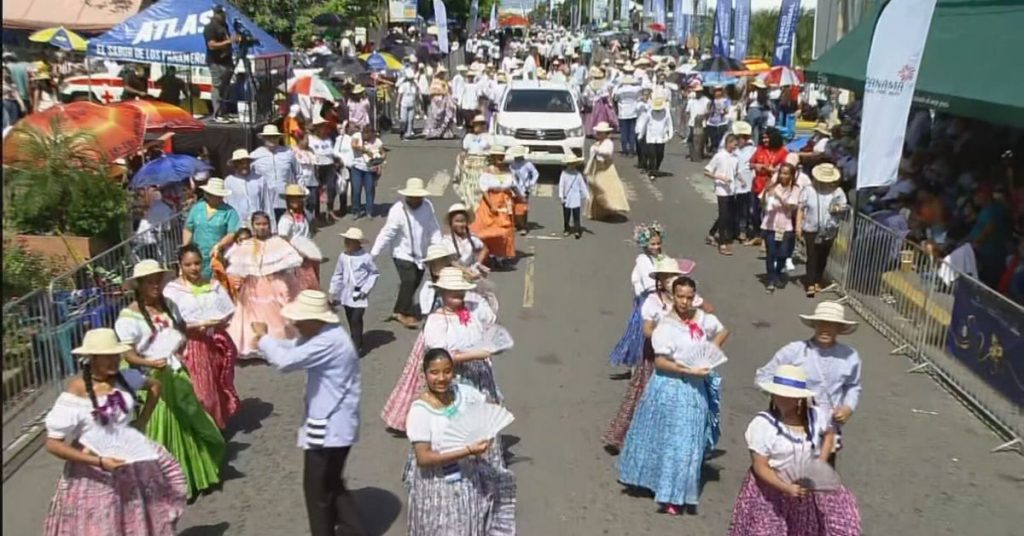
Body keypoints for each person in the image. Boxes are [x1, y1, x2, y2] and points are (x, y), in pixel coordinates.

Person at [42, 328, 185, 535]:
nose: (114, 362)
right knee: (103, 524)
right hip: (94, 472)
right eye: (106, 358)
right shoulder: (76, 393)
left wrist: (142, 421)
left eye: (115, 356)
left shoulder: (126, 379)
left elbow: (155, 386)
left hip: (131, 463)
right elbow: (53, 443)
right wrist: (98, 462)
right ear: (92, 359)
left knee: (139, 514)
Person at [253, 291, 368, 536]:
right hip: (336, 423)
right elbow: (292, 346)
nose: (294, 323)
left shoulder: (329, 341)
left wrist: (262, 338)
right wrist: (267, 340)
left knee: (317, 491)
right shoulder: (324, 335)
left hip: (328, 426)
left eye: (299, 319)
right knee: (332, 484)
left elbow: (286, 360)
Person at [114, 260, 225, 499]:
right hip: (150, 381)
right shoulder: (128, 317)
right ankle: (166, 485)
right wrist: (149, 363)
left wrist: (177, 347)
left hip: (175, 372)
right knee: (163, 428)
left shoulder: (170, 306)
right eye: (149, 281)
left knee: (189, 421)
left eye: (157, 280)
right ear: (139, 285)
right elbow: (128, 353)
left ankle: (195, 475)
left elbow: (181, 331)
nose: (155, 285)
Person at [618, 276, 727, 515]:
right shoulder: (665, 326)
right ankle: (665, 489)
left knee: (689, 444)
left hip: (694, 391)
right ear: (674, 297)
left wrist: (710, 353)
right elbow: (660, 362)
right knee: (667, 441)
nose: (685, 302)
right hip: (669, 387)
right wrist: (687, 368)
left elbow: (722, 331)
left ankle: (678, 492)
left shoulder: (704, 319)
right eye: (681, 297)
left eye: (689, 297)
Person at [728, 365, 862, 535]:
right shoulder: (762, 425)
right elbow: (760, 466)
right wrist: (786, 488)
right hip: (770, 493)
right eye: (779, 395)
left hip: (804, 492)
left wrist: (819, 463)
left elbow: (829, 433)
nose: (782, 399)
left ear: (798, 398)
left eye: (788, 396)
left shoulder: (816, 416)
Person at [405, 348, 516, 536]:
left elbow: (486, 412)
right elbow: (424, 458)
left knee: (470, 526)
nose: (441, 378)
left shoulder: (465, 395)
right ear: (424, 374)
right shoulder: (420, 412)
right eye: (434, 372)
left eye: (447, 371)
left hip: (467, 484)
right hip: (438, 489)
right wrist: (467, 451)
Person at [755, 301, 861, 466]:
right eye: (821, 324)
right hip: (793, 426)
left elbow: (853, 386)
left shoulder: (850, 357)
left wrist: (848, 407)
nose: (825, 329)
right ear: (814, 325)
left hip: (828, 427)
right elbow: (764, 376)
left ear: (839, 329)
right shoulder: (794, 351)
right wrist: (784, 398)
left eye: (831, 325)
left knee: (822, 475)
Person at [603, 257, 687, 451]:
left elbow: (707, 312)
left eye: (672, 276)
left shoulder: (684, 299)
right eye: (666, 277)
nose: (669, 280)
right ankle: (629, 438)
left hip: (677, 358)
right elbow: (647, 331)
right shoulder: (653, 301)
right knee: (644, 397)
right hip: (655, 357)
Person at [162, 245, 239, 430]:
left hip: (215, 340)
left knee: (217, 384)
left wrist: (216, 322)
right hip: (191, 344)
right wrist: (193, 327)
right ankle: (202, 428)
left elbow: (228, 310)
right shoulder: (172, 290)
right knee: (201, 392)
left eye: (197, 263)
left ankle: (217, 425)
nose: (194, 268)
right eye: (188, 264)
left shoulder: (213, 285)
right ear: (180, 265)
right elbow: (168, 319)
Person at [226, 212, 304, 359]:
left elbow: (291, 260)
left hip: (273, 284)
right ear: (253, 226)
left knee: (274, 316)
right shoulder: (247, 244)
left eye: (264, 224)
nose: (262, 227)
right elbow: (237, 264)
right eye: (258, 224)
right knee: (253, 316)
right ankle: (254, 345)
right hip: (252, 286)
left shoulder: (277, 242)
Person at [423, 268, 506, 403]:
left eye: (460, 289)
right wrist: (477, 354)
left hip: (480, 376)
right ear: (442, 292)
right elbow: (440, 358)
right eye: (452, 290)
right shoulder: (436, 321)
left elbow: (495, 328)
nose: (458, 293)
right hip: (453, 379)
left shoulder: (474, 309)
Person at [370, 178, 443, 329]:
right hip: (402, 253)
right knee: (409, 280)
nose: (416, 200)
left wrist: (439, 248)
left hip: (421, 254)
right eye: (413, 197)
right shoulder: (398, 210)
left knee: (416, 281)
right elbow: (387, 233)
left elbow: (433, 227)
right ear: (407, 196)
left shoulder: (427, 206)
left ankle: (405, 302)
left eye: (418, 197)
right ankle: (400, 312)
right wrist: (373, 255)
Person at [797, 164, 849, 297]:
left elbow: (844, 207)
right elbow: (801, 209)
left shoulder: (837, 192)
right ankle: (810, 283)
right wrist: (798, 226)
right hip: (811, 228)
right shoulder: (808, 190)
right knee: (812, 255)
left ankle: (818, 279)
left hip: (829, 229)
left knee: (823, 256)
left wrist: (838, 209)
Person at [329, 227, 380, 356]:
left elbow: (374, 273)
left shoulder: (365, 257)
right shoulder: (343, 257)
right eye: (346, 240)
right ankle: (356, 339)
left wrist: (366, 289)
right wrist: (333, 291)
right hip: (346, 293)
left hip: (359, 293)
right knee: (350, 318)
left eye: (350, 241)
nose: (346, 243)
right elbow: (338, 274)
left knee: (357, 318)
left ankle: (356, 347)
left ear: (358, 243)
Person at [183, 178, 240, 280]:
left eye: (219, 195)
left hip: (218, 255)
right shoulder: (197, 208)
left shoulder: (229, 211)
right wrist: (185, 248)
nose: (217, 197)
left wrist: (219, 245)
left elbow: (232, 233)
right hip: (197, 254)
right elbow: (188, 228)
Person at [471, 146, 518, 268]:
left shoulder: (508, 171)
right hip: (491, 203)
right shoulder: (487, 171)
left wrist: (519, 198)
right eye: (497, 156)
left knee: (505, 230)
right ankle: (489, 255)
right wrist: (491, 205)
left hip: (505, 203)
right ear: (493, 157)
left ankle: (500, 256)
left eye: (502, 156)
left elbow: (514, 186)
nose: (500, 159)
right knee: (489, 228)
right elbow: (484, 190)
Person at [761, 163, 801, 293]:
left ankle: (778, 272)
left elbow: (791, 207)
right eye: (781, 173)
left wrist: (779, 196)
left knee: (783, 253)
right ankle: (771, 279)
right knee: (771, 253)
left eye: (786, 173)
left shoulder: (795, 189)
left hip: (786, 225)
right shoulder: (773, 186)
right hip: (770, 224)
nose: (783, 176)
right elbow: (762, 203)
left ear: (791, 175)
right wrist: (766, 194)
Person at [251, 124, 300, 224]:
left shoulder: (288, 153)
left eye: (274, 137)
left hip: (286, 200)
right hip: (265, 201)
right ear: (263, 138)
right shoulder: (255, 156)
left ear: (278, 138)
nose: (272, 139)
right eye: (268, 137)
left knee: (287, 226)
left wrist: (299, 193)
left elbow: (299, 173)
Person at [749, 128, 789, 246]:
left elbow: (785, 168)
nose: (765, 140)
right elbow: (750, 163)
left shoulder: (783, 152)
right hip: (757, 184)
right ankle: (757, 235)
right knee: (754, 211)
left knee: (769, 212)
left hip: (772, 186)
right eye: (764, 138)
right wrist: (756, 165)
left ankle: (767, 238)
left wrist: (771, 169)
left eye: (767, 138)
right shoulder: (760, 149)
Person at [585, 122, 631, 221]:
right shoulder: (596, 144)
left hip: (607, 168)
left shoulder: (608, 143)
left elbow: (608, 153)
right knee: (597, 188)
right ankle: (599, 212)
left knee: (609, 189)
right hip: (597, 167)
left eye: (600, 133)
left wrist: (598, 151)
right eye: (598, 133)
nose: (598, 134)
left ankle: (612, 208)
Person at [705, 134, 740, 256]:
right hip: (721, 189)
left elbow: (735, 172)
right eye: (734, 143)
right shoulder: (719, 156)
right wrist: (719, 177)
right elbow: (707, 171)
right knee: (724, 215)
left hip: (731, 189)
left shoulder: (735, 157)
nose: (736, 146)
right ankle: (723, 243)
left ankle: (711, 233)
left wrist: (741, 180)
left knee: (727, 215)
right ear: (728, 143)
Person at [203, 5, 237, 121]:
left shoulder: (224, 26)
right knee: (217, 86)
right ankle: (217, 113)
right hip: (216, 62)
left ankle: (223, 111)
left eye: (224, 14)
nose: (223, 16)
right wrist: (229, 41)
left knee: (225, 87)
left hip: (227, 60)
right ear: (216, 14)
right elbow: (211, 45)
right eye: (221, 14)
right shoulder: (210, 27)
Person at [224, 148, 271, 225]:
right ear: (235, 165)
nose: (244, 165)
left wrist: (270, 224)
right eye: (240, 163)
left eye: (246, 162)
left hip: (257, 224)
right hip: (237, 223)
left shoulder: (260, 179)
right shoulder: (229, 181)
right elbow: (226, 204)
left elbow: (267, 204)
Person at [456, 114, 492, 208]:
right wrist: (461, 163)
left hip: (482, 165)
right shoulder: (468, 137)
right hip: (470, 166)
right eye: (475, 124)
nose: (476, 126)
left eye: (479, 124)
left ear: (484, 125)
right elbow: (464, 152)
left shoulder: (488, 137)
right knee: (468, 190)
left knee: (480, 190)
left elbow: (491, 153)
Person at [308, 116, 338, 220]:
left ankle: (330, 210)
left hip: (329, 165)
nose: (323, 128)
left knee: (331, 188)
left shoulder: (329, 138)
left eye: (324, 126)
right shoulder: (310, 139)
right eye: (320, 126)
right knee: (316, 189)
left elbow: (333, 152)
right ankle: (317, 213)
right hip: (317, 165)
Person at [350, 127, 384, 219]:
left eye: (368, 135)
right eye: (364, 134)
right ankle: (356, 210)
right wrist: (365, 150)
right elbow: (353, 145)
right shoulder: (357, 136)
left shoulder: (377, 142)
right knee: (356, 190)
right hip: (357, 167)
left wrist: (379, 161)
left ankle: (369, 210)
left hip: (370, 169)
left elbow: (383, 153)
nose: (365, 137)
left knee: (369, 190)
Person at [444, 203, 489, 273]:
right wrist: (465, 270)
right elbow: (449, 260)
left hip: (471, 276)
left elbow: (484, 249)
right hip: (452, 277)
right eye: (457, 221)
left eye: (462, 221)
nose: (460, 224)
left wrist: (478, 263)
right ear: (451, 222)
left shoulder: (472, 239)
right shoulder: (446, 241)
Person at [637, 96, 673, 181]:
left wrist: (670, 135)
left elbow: (670, 124)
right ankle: (652, 172)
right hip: (651, 137)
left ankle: (655, 168)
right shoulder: (650, 113)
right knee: (652, 155)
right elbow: (644, 125)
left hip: (661, 137)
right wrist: (641, 135)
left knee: (660, 155)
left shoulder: (666, 112)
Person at [508, 146, 538, 236]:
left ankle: (524, 226)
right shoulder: (512, 165)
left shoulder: (527, 164)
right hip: (515, 189)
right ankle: (516, 224)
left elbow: (535, 174)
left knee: (523, 208)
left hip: (525, 188)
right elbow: (511, 176)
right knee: (514, 207)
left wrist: (531, 183)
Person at [558, 154, 589, 238]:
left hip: (576, 197)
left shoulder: (578, 175)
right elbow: (561, 186)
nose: (572, 166)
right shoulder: (564, 174)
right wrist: (561, 196)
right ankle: (566, 228)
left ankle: (577, 230)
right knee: (566, 215)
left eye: (573, 164)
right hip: (567, 197)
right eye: (570, 164)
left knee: (576, 215)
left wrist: (586, 196)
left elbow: (582, 186)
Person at [424, 67, 456, 139]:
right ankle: (433, 133)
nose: (442, 74)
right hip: (436, 101)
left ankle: (444, 133)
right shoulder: (435, 81)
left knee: (445, 116)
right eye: (441, 73)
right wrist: (442, 92)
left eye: (443, 73)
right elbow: (432, 91)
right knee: (435, 117)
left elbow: (449, 91)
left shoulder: (445, 81)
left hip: (444, 101)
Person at [614, 74, 642, 156]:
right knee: (632, 132)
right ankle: (631, 150)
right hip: (633, 112)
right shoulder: (636, 89)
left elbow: (615, 98)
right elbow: (640, 95)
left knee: (623, 132)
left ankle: (624, 150)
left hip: (623, 112)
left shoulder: (620, 90)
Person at [397, 73, 419, 139]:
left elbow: (416, 96)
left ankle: (408, 134)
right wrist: (397, 105)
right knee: (403, 119)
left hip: (412, 104)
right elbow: (399, 95)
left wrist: (417, 105)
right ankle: (402, 132)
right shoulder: (403, 85)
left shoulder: (414, 86)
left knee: (411, 119)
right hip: (404, 104)